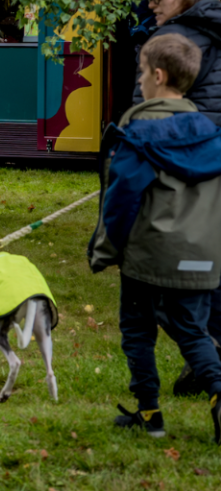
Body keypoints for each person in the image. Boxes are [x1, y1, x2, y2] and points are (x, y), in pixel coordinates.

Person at [89, 32, 221, 441]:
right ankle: (218, 392)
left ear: (158, 76)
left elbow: (122, 198)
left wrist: (105, 251)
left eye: (141, 72)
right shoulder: (209, 132)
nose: (139, 80)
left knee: (138, 330)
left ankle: (150, 415)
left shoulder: (138, 132)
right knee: (194, 332)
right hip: (202, 255)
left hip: (150, 255)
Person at [130, 0, 221, 122]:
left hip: (176, 142)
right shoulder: (215, 27)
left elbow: (148, 111)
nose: (151, 5)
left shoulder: (169, 39)